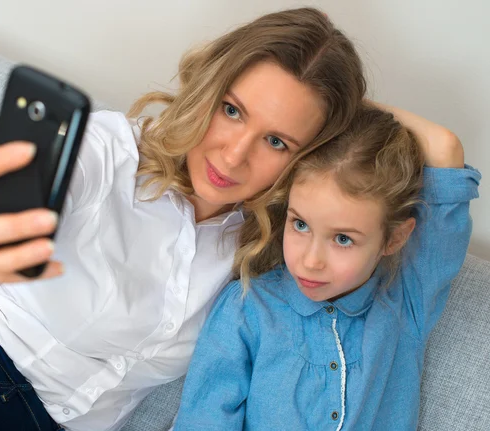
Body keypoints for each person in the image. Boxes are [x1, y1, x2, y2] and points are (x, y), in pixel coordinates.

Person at [0, 8, 366, 431]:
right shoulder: (105, 152)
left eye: (277, 141)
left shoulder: (271, 244)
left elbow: (437, 163)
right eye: (232, 110)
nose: (235, 154)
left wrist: (349, 123)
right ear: (206, 89)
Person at [173, 104, 481, 430]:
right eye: (301, 225)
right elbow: (203, 420)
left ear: (394, 238)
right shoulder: (247, 306)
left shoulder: (406, 301)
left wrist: (349, 103)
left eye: (343, 239)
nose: (310, 261)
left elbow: (446, 147)